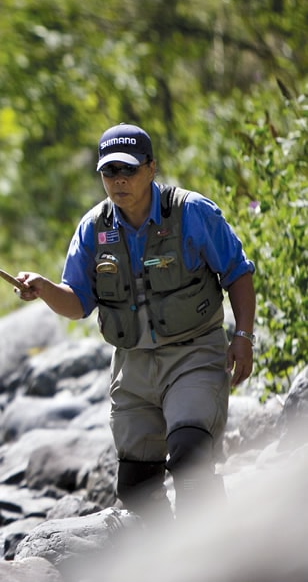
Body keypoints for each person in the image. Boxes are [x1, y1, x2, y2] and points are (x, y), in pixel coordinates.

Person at [15, 123, 256, 522]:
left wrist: (243, 336)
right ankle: (167, 551)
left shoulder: (192, 212)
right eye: (110, 171)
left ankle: (217, 548)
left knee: (190, 459)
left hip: (193, 354)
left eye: (128, 169)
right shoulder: (93, 228)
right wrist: (43, 288)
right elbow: (77, 302)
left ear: (151, 168)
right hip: (133, 366)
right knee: (135, 487)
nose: (119, 180)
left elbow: (238, 273)